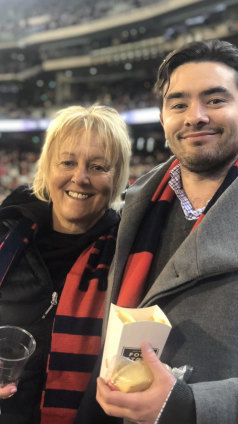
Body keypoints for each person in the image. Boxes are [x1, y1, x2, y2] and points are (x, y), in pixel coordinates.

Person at [94, 39, 238, 424]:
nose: (194, 116)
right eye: (178, 104)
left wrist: (191, 407)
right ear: (163, 118)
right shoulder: (132, 211)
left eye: (215, 100)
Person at [0, 103, 131, 423]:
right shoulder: (6, 234)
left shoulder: (130, 251)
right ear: (47, 168)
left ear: (118, 178)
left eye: (99, 167)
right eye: (68, 162)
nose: (80, 177)